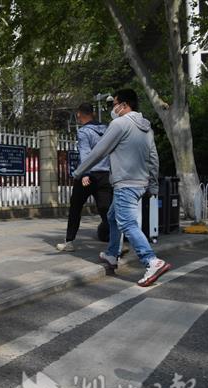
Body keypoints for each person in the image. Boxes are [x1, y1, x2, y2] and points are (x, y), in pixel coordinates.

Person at [73, 89, 171, 287]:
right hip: (139, 183)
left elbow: (99, 151)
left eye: (115, 103)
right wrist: (152, 185)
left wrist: (79, 172)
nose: (113, 108)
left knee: (126, 223)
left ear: (125, 105)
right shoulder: (146, 128)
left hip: (125, 184)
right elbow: (153, 158)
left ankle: (151, 261)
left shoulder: (119, 124)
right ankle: (111, 254)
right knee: (112, 217)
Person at [57, 103, 111, 252]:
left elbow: (85, 154)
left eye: (78, 115)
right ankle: (115, 241)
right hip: (106, 175)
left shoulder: (84, 132)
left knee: (75, 207)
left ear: (80, 114)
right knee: (106, 210)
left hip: (89, 176)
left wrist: (85, 174)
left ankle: (69, 242)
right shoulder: (106, 130)